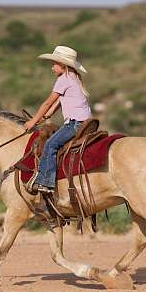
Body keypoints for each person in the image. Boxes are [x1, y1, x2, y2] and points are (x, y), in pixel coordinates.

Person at [24, 45, 92, 194]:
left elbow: (48, 102)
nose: (52, 68)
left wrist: (33, 122)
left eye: (53, 64)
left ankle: (46, 183)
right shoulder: (73, 77)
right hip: (86, 123)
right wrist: (46, 116)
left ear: (62, 65)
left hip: (75, 124)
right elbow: (59, 103)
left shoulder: (63, 79)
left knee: (50, 145)